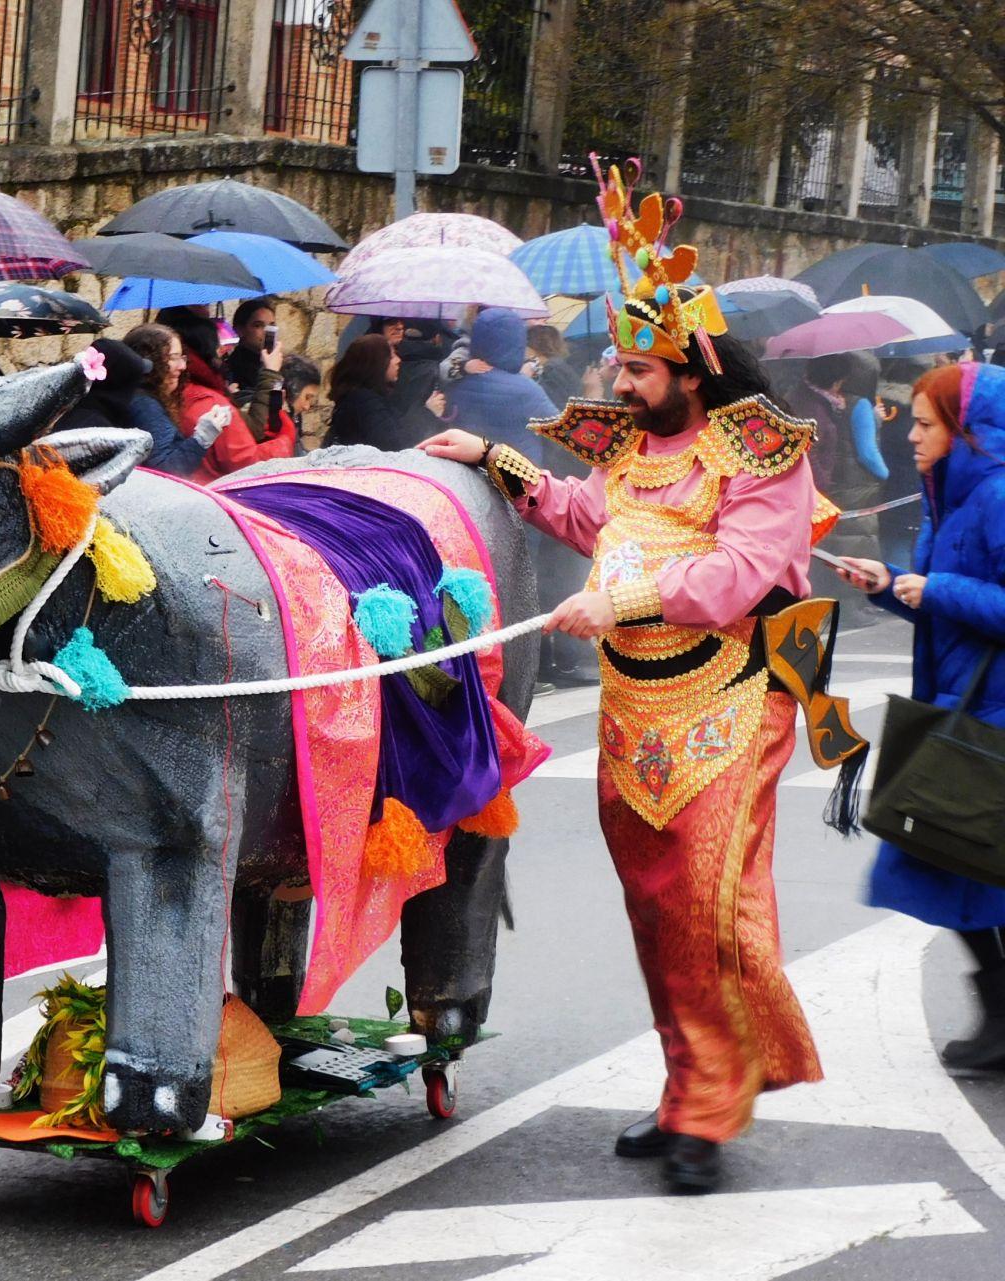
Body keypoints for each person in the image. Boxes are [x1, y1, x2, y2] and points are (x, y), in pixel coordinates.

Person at [421, 188, 832, 1192]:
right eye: (624, 364)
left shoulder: (761, 452)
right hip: (634, 708)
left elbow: (750, 572)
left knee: (707, 904)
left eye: (641, 367)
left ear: (694, 367)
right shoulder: (635, 449)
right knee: (655, 909)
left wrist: (629, 597)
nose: (623, 379)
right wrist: (496, 461)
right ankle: (687, 1084)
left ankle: (710, 1107)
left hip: (732, 703)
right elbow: (578, 513)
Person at [836, 363, 1005, 1072]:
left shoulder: (996, 495)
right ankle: (1001, 1009)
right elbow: (940, 599)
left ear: (969, 433)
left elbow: (975, 598)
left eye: (927, 423)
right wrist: (887, 588)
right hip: (959, 703)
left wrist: (935, 587)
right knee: (949, 858)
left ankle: (1001, 1013)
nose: (910, 433)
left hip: (992, 715)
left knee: (964, 858)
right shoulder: (955, 494)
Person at [786, 352, 888, 591]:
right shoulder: (827, 407)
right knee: (853, 546)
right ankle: (852, 604)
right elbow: (867, 453)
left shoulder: (818, 401)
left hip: (832, 489)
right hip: (842, 490)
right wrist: (885, 475)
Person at [163, 310, 295, 481]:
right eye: (258, 325)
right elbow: (246, 461)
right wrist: (285, 438)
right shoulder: (209, 402)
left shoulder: (176, 392)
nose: (223, 350)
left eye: (270, 326)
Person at [441, 309, 556, 462]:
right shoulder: (525, 388)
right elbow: (558, 429)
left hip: (467, 471)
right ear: (517, 341)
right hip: (516, 474)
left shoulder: (457, 380)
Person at [115, 325, 223, 474]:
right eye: (173, 358)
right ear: (150, 362)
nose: (183, 366)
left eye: (182, 358)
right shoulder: (144, 405)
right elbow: (166, 469)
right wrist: (202, 437)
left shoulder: (132, 395)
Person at [326, 334, 408, 449]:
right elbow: (393, 446)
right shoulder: (366, 403)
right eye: (391, 356)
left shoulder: (356, 398)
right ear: (376, 363)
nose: (398, 360)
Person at [224, 297, 278, 392]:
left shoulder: (278, 362)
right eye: (258, 325)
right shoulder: (234, 369)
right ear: (240, 330)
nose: (267, 332)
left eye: (271, 326)